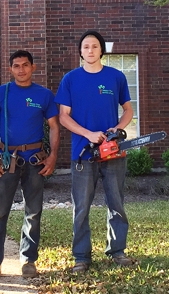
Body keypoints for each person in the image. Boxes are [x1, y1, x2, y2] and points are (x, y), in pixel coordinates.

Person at [55, 30, 134, 273]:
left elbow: (128, 111)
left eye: (95, 46)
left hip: (112, 153)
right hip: (83, 153)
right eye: (86, 47)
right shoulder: (70, 79)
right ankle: (81, 256)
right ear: (80, 51)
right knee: (81, 208)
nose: (90, 50)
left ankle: (117, 251)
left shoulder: (116, 77)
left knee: (116, 204)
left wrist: (117, 129)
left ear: (101, 50)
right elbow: (63, 117)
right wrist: (88, 134)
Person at [0, 50, 60, 281]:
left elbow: (54, 126)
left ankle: (28, 260)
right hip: (7, 160)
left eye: (26, 65)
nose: (21, 69)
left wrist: (53, 155)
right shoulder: (0, 93)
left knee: (33, 212)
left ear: (33, 67)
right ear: (11, 69)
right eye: (17, 66)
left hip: (36, 160)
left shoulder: (44, 95)